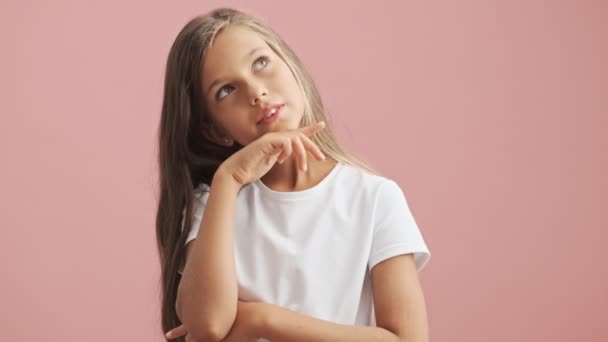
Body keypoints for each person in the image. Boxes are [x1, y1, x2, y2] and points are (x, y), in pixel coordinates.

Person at [156, 7, 432, 342]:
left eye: (261, 63)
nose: (256, 92)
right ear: (216, 131)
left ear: (290, 64)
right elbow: (208, 326)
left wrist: (262, 319)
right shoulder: (214, 204)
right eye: (226, 90)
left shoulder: (373, 198)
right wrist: (227, 180)